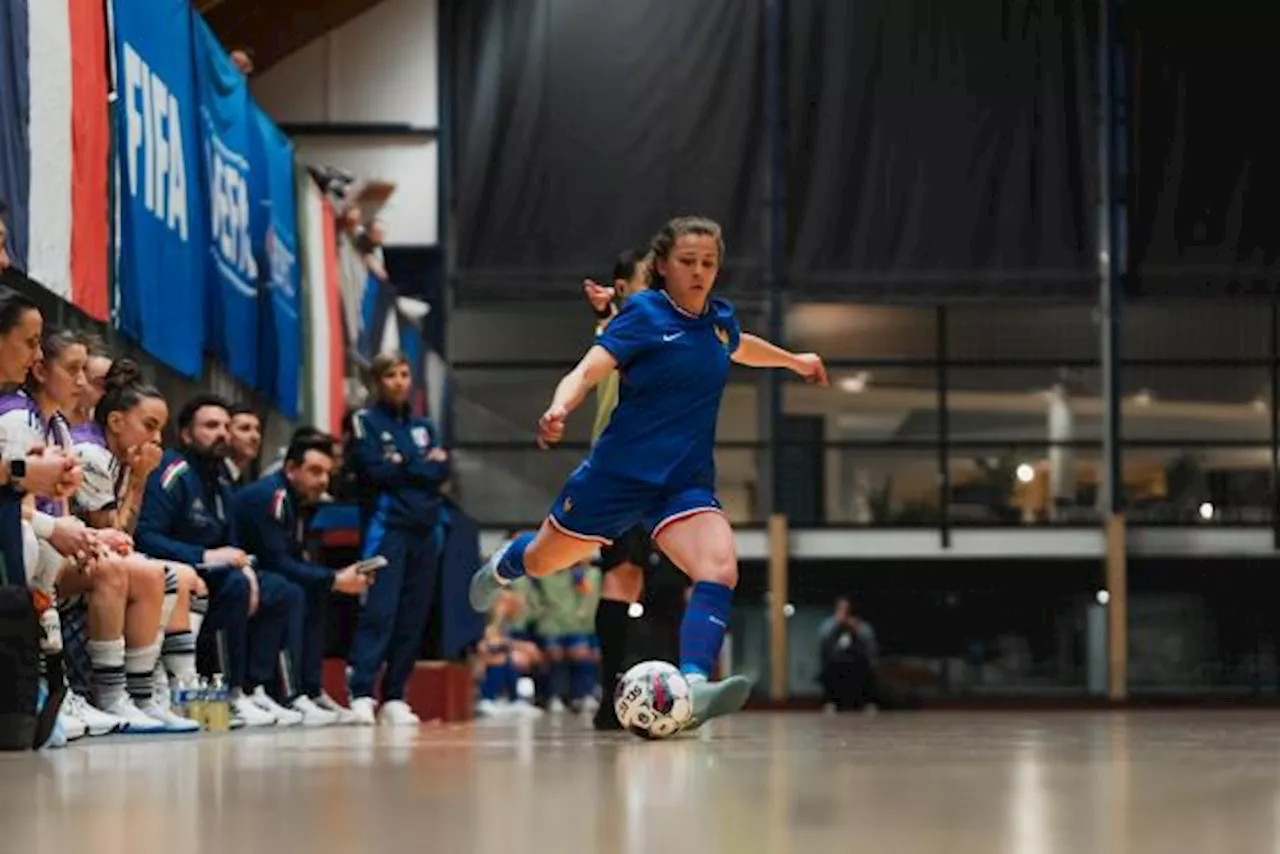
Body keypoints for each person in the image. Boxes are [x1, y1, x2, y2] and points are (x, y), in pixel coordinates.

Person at [469, 216, 829, 729]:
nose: (699, 272)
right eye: (687, 262)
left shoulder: (719, 320)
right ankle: (507, 562)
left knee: (720, 567)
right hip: (616, 478)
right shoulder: (642, 313)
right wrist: (559, 408)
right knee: (547, 561)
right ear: (662, 266)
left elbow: (738, 343)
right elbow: (589, 369)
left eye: (709, 263)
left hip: (682, 483)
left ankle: (696, 683)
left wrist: (794, 361)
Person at [135, 395, 303, 727]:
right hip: (176, 569)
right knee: (235, 587)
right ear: (186, 434)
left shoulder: (221, 481)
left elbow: (233, 545)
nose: (222, 433)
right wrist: (204, 556)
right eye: (211, 426)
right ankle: (229, 693)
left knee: (282, 590)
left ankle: (257, 689)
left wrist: (248, 571)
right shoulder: (173, 472)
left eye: (226, 426)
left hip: (216, 573)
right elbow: (147, 536)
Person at [583, 247, 689, 729]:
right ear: (623, 287)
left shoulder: (672, 326)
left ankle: (675, 692)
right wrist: (611, 311)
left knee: (673, 583)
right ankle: (611, 697)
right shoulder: (623, 330)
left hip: (672, 475)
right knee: (622, 576)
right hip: (621, 475)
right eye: (648, 278)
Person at [72, 358, 205, 731]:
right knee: (156, 576)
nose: (158, 440)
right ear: (116, 421)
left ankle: (172, 691)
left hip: (91, 555)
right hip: (71, 558)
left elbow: (120, 534)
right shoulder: (93, 454)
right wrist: (141, 479)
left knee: (189, 578)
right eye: (150, 426)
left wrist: (137, 475)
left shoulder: (119, 458)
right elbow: (116, 532)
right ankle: (128, 693)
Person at [233, 432, 372, 725]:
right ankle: (281, 692)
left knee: (313, 590)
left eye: (327, 473)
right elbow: (277, 561)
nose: (323, 480)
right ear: (291, 469)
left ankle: (311, 689)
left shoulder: (299, 501)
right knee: (291, 590)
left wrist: (328, 580)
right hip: (242, 570)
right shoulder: (272, 496)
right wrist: (334, 578)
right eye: (314, 471)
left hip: (263, 570)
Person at [345, 352, 450, 726]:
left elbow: (442, 469)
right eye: (391, 375)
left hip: (426, 528)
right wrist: (417, 464)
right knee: (380, 610)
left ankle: (394, 694)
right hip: (386, 527)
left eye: (405, 374)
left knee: (413, 615)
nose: (400, 381)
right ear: (378, 381)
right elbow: (374, 471)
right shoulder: (364, 421)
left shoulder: (425, 426)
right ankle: (360, 691)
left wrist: (403, 463)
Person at [0, 288, 81, 589]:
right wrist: (21, 472)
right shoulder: (16, 415)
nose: (37, 356)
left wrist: (29, 475)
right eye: (31, 343)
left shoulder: (56, 426)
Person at [225, 404, 262, 488]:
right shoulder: (215, 477)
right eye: (245, 428)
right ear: (226, 433)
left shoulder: (241, 478)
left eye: (258, 430)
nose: (255, 437)